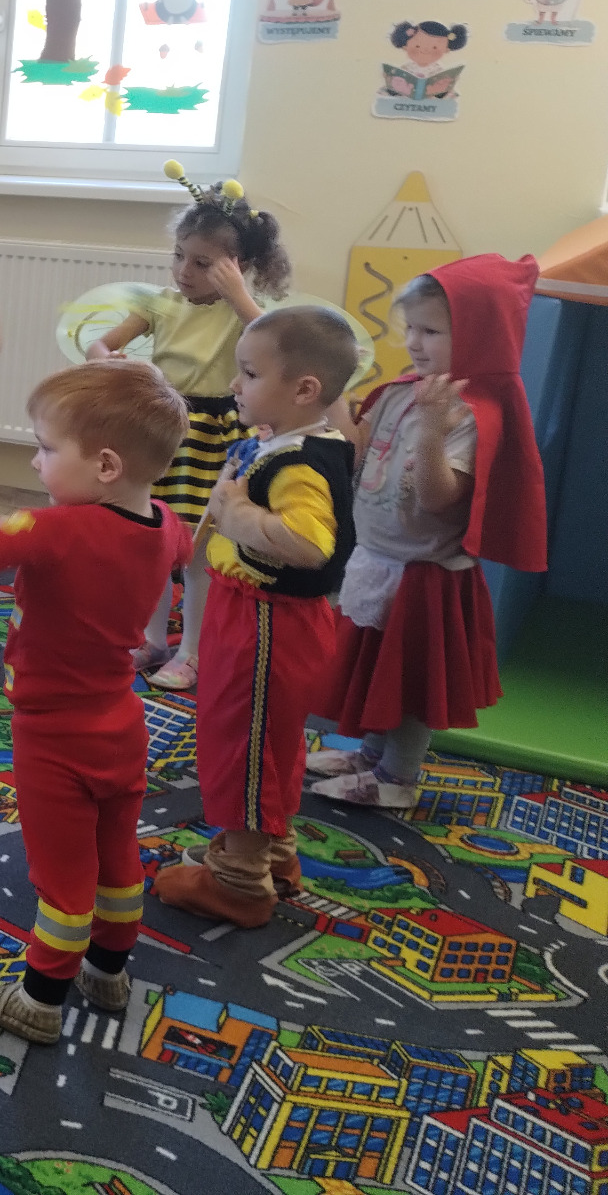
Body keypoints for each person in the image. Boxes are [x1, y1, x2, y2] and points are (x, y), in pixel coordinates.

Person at [0, 362, 191, 1043]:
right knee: (117, 855)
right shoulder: (166, 523)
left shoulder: (59, 529)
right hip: (121, 722)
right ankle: (108, 971)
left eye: (47, 448)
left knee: (62, 876)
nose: (36, 460)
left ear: (106, 465)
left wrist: (14, 520)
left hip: (53, 735)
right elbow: (184, 545)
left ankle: (39, 999)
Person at [309, 256, 546, 808]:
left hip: (425, 574)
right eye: (411, 328)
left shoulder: (469, 413)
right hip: (380, 557)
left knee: (411, 683)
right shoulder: (402, 390)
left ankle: (397, 778)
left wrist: (435, 428)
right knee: (380, 671)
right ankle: (371, 756)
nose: (414, 342)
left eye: (431, 331)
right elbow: (359, 455)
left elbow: (439, 497)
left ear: (480, 336)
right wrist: (328, 398)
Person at [153, 306, 361, 929]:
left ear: (304, 390)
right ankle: (270, 851)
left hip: (267, 623)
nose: (235, 385)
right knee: (264, 739)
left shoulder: (298, 463)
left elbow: (310, 544)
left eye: (248, 373)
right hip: (254, 613)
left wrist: (237, 514)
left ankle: (240, 883)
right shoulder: (290, 442)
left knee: (245, 742)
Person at [86, 166, 292, 692]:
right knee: (155, 538)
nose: (184, 271)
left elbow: (277, 344)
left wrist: (238, 294)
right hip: (162, 427)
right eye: (179, 256)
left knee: (200, 551)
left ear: (238, 267)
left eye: (202, 264)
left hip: (216, 437)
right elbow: (101, 344)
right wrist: (112, 362)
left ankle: (193, 650)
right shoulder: (160, 302)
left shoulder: (243, 313)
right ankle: (153, 638)